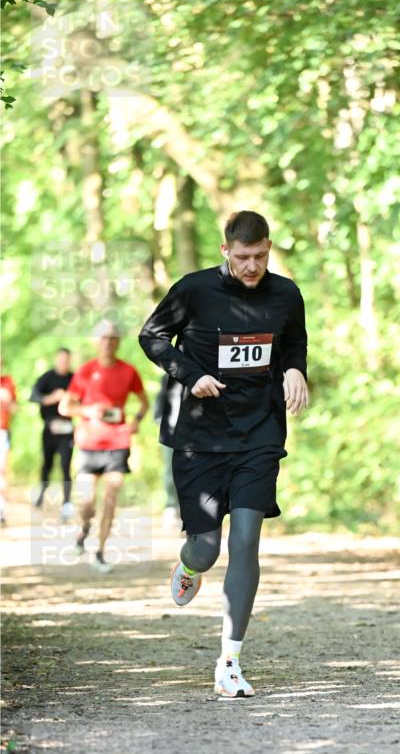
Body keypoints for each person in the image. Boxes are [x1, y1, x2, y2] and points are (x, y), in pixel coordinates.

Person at [138, 210, 308, 699]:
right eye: (242, 257)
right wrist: (191, 375)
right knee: (208, 548)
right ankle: (190, 563)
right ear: (225, 251)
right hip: (200, 438)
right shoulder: (194, 290)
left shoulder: (286, 293)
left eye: (259, 256)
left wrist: (295, 369)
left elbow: (293, 341)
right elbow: (151, 338)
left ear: (269, 248)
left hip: (259, 432)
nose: (251, 266)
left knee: (248, 538)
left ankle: (229, 661)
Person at [59, 320, 149, 573]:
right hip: (89, 443)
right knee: (86, 501)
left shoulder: (129, 371)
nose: (108, 343)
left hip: (118, 443)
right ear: (96, 342)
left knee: (110, 499)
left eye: (113, 338)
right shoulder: (85, 372)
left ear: (118, 342)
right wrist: (89, 410)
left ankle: (99, 552)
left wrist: (135, 422)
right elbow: (64, 407)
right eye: (103, 338)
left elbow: (144, 403)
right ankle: (83, 532)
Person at [30, 347, 75, 520]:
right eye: (61, 360)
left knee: (65, 466)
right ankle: (42, 492)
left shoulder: (74, 378)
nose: (63, 363)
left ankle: (67, 503)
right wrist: (51, 398)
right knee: (47, 464)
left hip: (67, 430)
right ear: (56, 360)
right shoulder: (47, 378)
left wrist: (69, 399)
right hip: (49, 429)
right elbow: (33, 396)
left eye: (66, 360)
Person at [153, 372, 181, 528]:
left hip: (195, 432)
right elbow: (161, 397)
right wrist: (158, 417)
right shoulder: (168, 376)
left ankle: (185, 511)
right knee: (170, 470)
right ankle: (170, 506)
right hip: (171, 430)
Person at [0, 357, 17, 527]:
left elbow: (14, 408)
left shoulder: (7, 382)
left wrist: (8, 400)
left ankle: (2, 510)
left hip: (2, 431)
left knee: (2, 471)